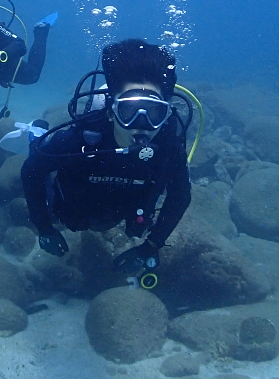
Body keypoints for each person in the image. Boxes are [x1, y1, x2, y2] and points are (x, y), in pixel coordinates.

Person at [21, 38, 191, 272]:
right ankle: (36, 134)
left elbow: (180, 195)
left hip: (123, 207)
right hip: (76, 203)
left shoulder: (169, 146)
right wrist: (44, 227)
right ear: (111, 111)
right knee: (52, 189)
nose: (140, 125)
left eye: (154, 112)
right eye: (129, 110)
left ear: (166, 113)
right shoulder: (83, 136)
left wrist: (151, 246)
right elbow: (32, 170)